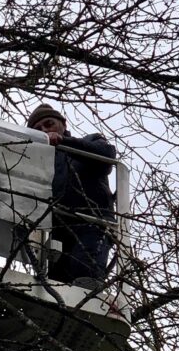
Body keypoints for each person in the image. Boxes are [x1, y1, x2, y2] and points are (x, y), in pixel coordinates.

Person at [25, 104, 116, 284]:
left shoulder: (89, 141)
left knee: (85, 274)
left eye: (49, 124)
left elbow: (106, 157)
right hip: (59, 231)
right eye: (38, 130)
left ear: (63, 124)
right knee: (56, 284)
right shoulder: (41, 162)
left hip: (92, 223)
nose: (44, 130)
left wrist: (63, 143)